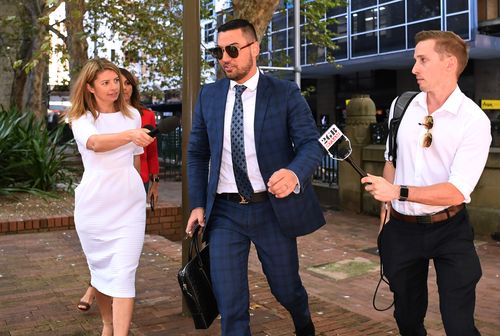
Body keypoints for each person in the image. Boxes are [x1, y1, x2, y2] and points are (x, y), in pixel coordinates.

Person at [185, 19, 325, 336]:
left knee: (285, 289)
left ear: (254, 49)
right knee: (230, 303)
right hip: (224, 212)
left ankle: (303, 321)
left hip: (271, 210)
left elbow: (310, 144)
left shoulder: (284, 93)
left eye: (232, 50)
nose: (224, 58)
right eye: (218, 51)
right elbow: (197, 153)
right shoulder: (209, 95)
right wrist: (197, 205)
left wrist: (293, 172)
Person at [361, 31, 491, 335]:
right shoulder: (401, 105)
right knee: (407, 317)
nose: (414, 68)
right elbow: (391, 158)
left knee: (458, 324)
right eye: (414, 60)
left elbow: (457, 189)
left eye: (423, 60)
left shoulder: (473, 121)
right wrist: (386, 205)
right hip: (402, 228)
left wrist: (397, 192)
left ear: (449, 63)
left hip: (451, 227)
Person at [68, 58, 153, 336]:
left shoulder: (132, 115)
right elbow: (94, 144)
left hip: (129, 204)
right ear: (90, 87)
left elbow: (137, 160)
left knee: (124, 274)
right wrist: (129, 135)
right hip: (94, 206)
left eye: (116, 80)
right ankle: (107, 325)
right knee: (101, 273)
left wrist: (142, 190)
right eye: (105, 82)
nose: (114, 87)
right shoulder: (81, 118)